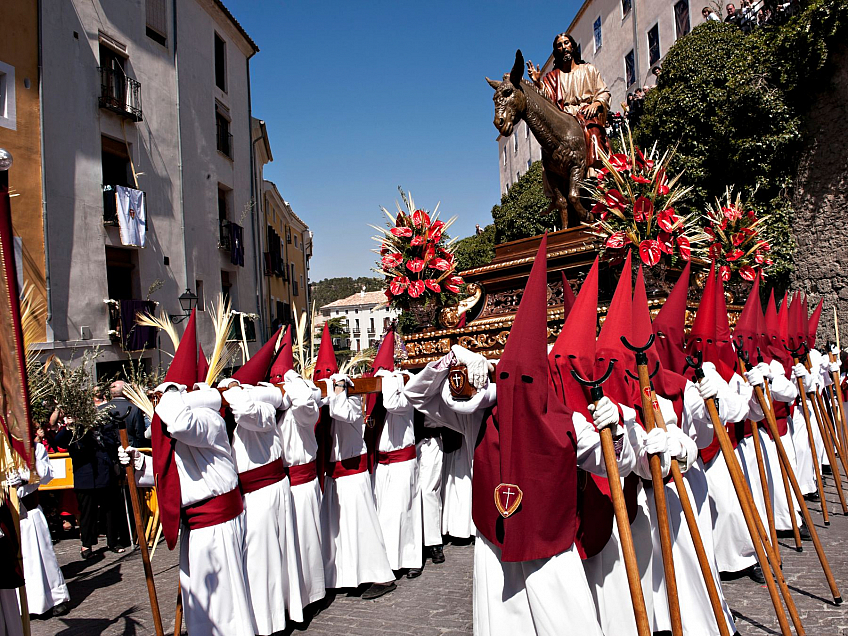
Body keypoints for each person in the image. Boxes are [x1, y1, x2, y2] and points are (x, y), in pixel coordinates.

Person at [406, 236, 638, 635]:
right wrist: (453, 359)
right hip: (495, 556)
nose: (517, 390)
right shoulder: (480, 418)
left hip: (551, 554)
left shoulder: (566, 422)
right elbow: (419, 396)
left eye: (525, 380)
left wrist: (615, 429)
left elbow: (615, 465)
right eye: (509, 378)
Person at [148, 311, 255, 636]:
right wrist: (136, 466)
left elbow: (181, 423)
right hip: (198, 525)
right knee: (203, 605)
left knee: (225, 606)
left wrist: (167, 393)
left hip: (217, 524)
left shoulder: (206, 419)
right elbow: (172, 470)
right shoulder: (181, 423)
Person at [319, 369, 396, 600]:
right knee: (339, 529)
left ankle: (382, 576)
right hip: (335, 472)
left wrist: (340, 385)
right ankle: (345, 576)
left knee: (363, 525)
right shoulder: (332, 397)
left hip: (353, 471)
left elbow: (340, 411)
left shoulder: (351, 400)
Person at [369, 331, 423, 578]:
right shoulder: (382, 388)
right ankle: (388, 558)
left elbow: (393, 404)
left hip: (402, 459)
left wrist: (389, 377)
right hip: (383, 462)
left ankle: (410, 558)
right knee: (384, 513)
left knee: (402, 510)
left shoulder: (407, 385)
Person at [53, 403, 127, 559]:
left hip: (105, 474)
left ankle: (113, 541)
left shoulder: (104, 427)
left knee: (109, 510)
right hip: (85, 477)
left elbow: (113, 443)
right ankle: (86, 543)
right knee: (87, 512)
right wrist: (69, 426)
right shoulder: (75, 430)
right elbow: (59, 441)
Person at [527, 32, 611, 168]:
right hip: (565, 117)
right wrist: (538, 83)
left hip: (586, 114)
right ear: (556, 51)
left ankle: (595, 170)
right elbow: (547, 101)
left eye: (566, 43)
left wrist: (596, 103)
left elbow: (603, 92)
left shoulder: (589, 70)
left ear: (572, 46)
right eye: (559, 45)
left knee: (593, 132)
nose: (564, 47)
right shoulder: (552, 77)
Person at [7, 442, 70, 617]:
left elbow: (46, 474)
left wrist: (25, 474)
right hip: (7, 516)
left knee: (42, 557)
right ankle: (20, 605)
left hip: (29, 512)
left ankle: (55, 598)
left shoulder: (35, 448)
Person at [108, 381, 147, 448]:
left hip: (109, 448)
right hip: (130, 447)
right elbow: (139, 433)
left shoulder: (101, 409)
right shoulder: (134, 408)